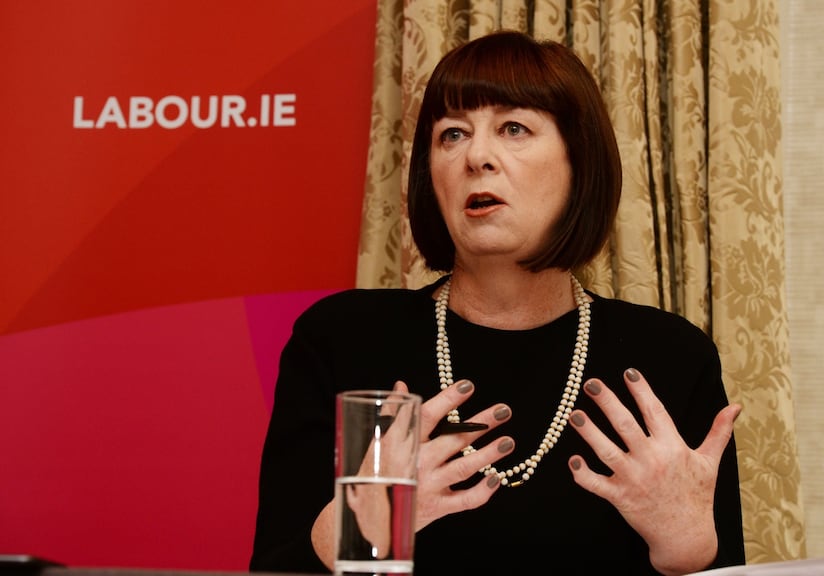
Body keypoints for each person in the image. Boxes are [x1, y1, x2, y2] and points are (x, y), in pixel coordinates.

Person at [250, 30, 746, 576]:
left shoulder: (669, 357)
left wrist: (689, 552)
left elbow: (719, 564)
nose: (477, 156)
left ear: (579, 163)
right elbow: (276, 568)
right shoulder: (344, 341)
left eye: (514, 128)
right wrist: (359, 525)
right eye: (452, 134)